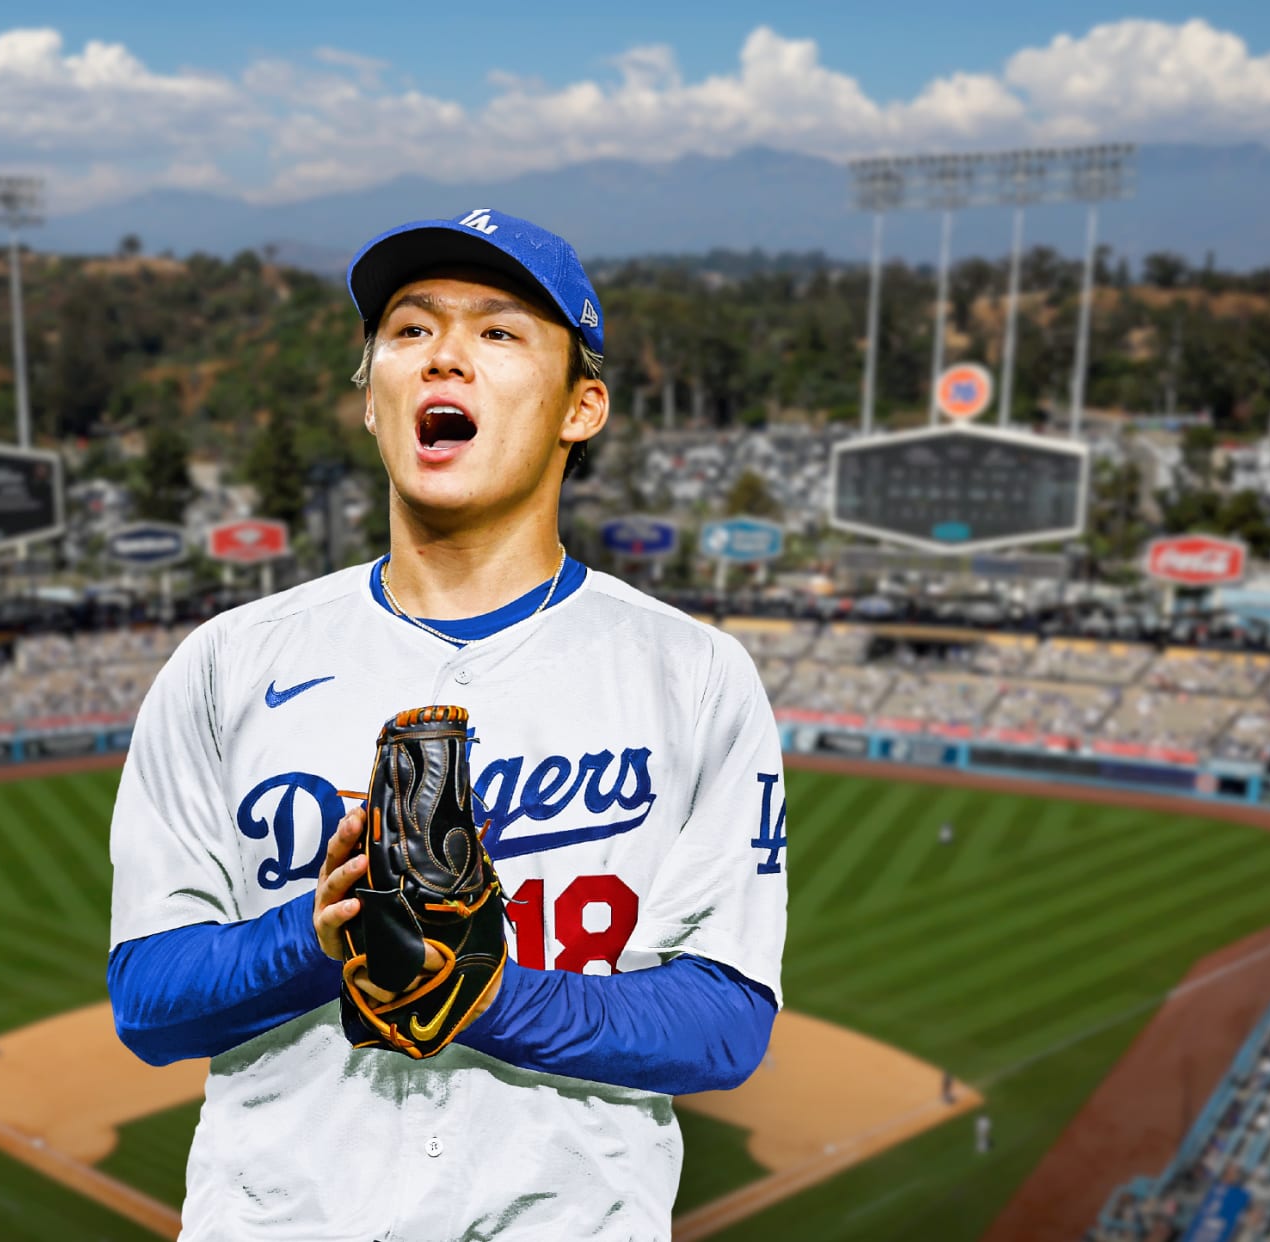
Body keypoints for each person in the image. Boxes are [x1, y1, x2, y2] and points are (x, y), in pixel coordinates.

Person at [105, 208, 788, 1239]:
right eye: (411, 331)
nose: (445, 359)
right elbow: (147, 1003)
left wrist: (486, 994)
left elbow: (726, 1023)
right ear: (372, 403)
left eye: (500, 333)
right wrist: (316, 936)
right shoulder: (227, 664)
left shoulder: (691, 674)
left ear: (581, 408)